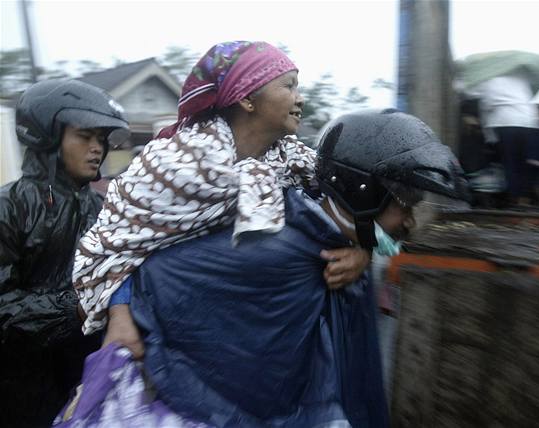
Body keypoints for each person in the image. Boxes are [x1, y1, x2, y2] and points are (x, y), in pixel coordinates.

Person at [54, 109, 470, 427]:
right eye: (406, 207)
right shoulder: (264, 237)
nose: (411, 224)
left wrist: (363, 253)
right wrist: (123, 308)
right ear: (362, 193)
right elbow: (154, 273)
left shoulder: (333, 241)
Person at [73, 41, 370, 342]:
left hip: (242, 339)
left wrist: (362, 252)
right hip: (164, 337)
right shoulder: (169, 165)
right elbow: (106, 249)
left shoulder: (292, 161)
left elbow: (360, 210)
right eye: (289, 86)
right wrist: (119, 312)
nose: (300, 99)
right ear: (248, 100)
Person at [0, 79, 130, 427]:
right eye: (84, 137)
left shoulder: (106, 208)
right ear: (47, 138)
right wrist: (75, 306)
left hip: (86, 378)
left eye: (101, 140)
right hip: (21, 388)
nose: (96, 149)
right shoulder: (11, 207)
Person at [472, 70, 539, 207]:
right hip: (530, 122)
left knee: (510, 162)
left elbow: (487, 105)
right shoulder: (522, 78)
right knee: (525, 162)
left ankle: (513, 198)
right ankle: (525, 198)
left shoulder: (491, 80)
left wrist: (488, 135)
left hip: (506, 122)